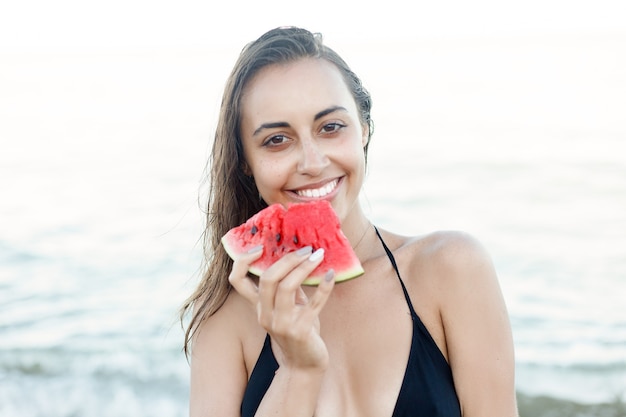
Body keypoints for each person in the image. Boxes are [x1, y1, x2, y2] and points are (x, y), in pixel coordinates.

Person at [180, 26, 518, 417]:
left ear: (364, 131)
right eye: (277, 140)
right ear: (245, 163)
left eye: (330, 127)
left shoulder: (452, 269)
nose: (312, 162)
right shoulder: (225, 323)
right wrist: (297, 369)